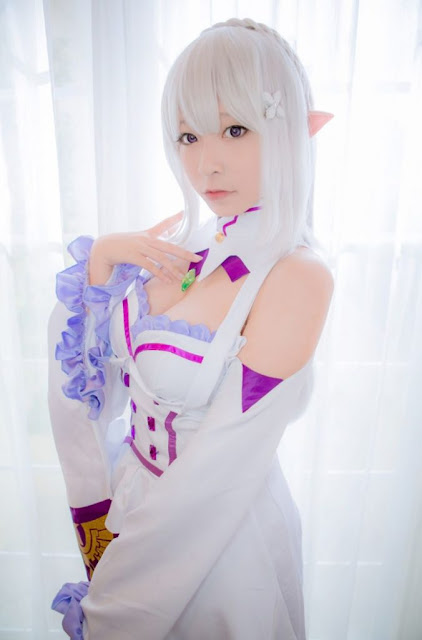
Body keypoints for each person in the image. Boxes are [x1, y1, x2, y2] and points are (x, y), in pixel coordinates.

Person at [47, 16, 334, 640]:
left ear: (289, 129)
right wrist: (100, 267)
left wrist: (112, 608)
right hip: (134, 515)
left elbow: (216, 473)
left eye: (235, 129)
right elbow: (92, 390)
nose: (206, 163)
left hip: (220, 551)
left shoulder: (297, 276)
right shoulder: (186, 245)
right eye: (187, 135)